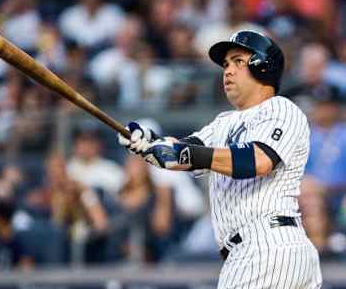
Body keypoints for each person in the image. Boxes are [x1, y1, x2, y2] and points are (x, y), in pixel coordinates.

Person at [118, 29, 322, 288]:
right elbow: (181, 153)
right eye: (226, 64)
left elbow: (258, 160)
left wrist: (182, 152)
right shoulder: (224, 122)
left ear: (262, 67)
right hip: (258, 253)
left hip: (267, 247)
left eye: (238, 61)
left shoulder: (280, 108)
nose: (228, 70)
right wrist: (147, 143)